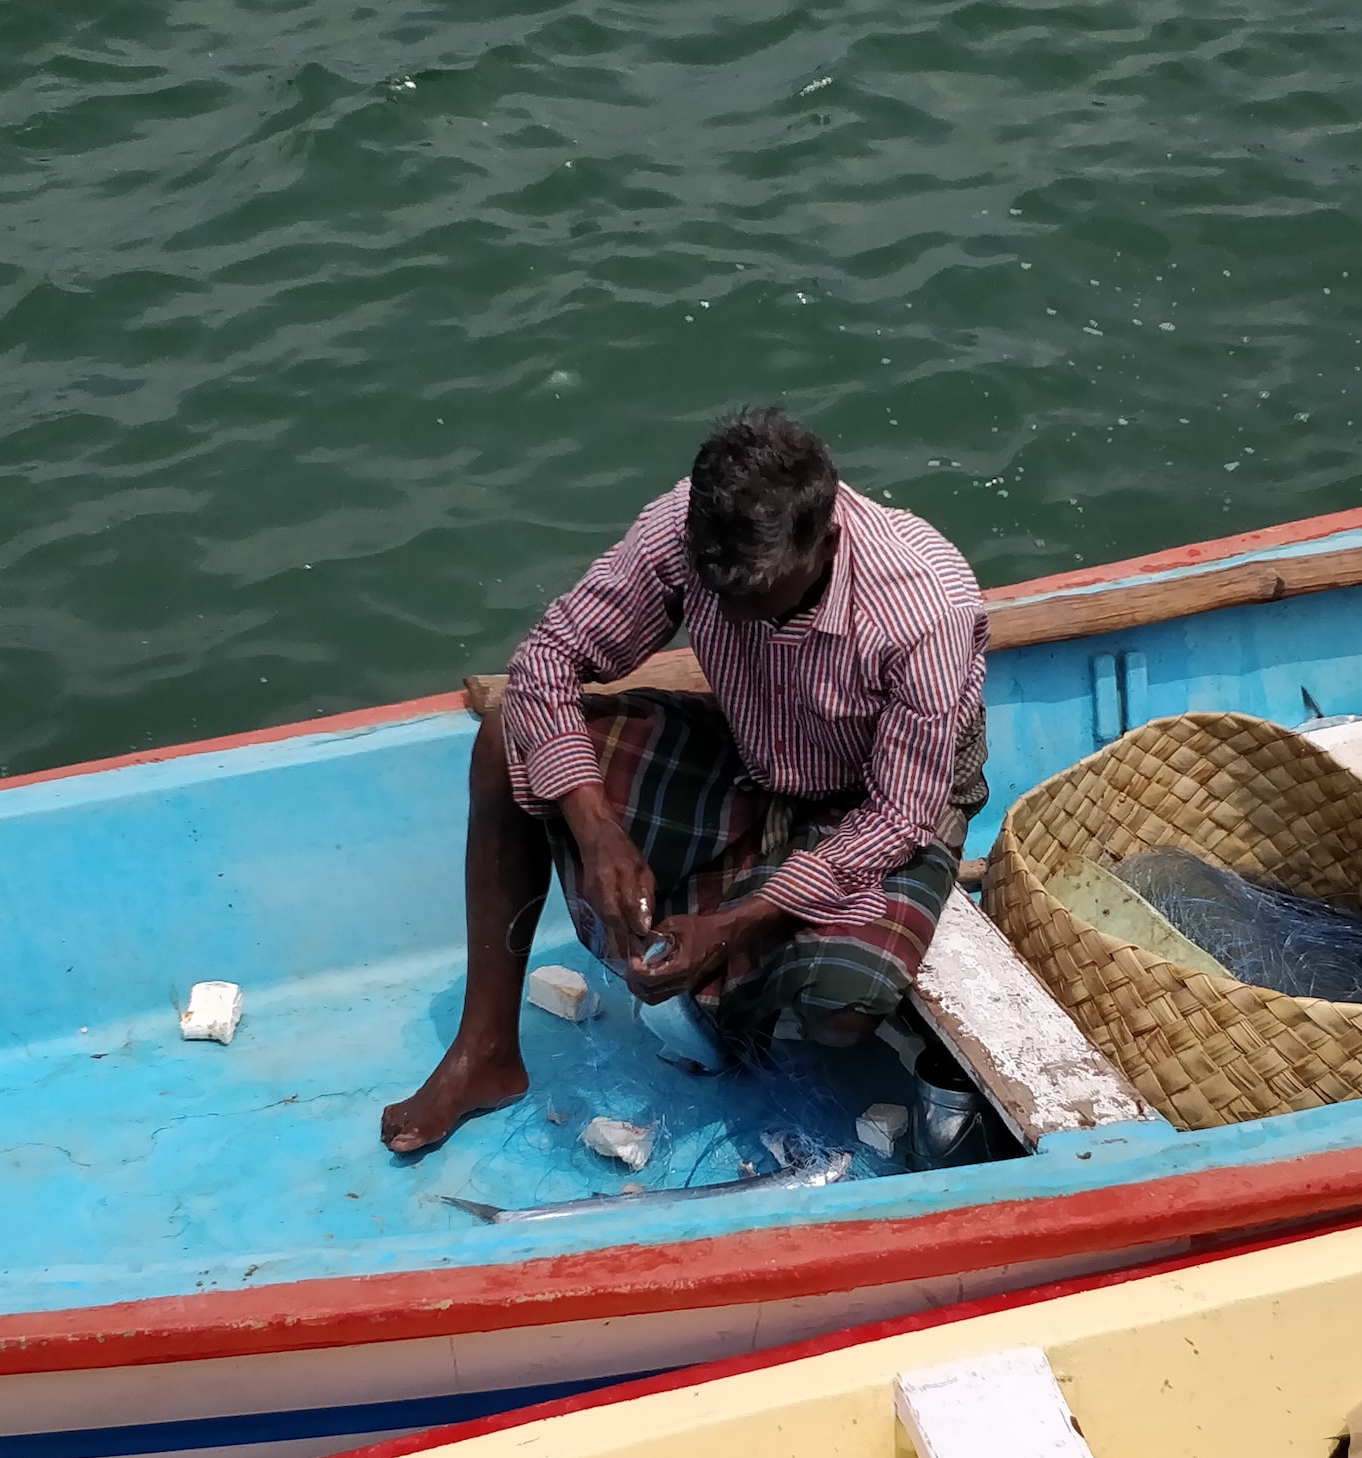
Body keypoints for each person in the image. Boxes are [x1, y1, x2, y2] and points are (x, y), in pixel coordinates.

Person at [381, 408, 989, 1153]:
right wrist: (594, 827)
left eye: (765, 603)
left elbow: (899, 818)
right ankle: (486, 1055)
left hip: (877, 799)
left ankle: (726, 990)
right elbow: (547, 661)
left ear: (826, 544)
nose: (737, 620)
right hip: (754, 746)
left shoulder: (925, 607)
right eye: (720, 600)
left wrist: (730, 927)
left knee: (842, 1012)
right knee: (506, 736)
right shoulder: (683, 526)